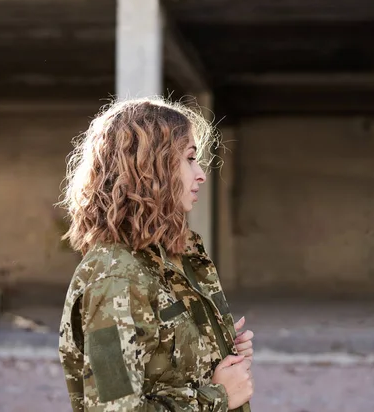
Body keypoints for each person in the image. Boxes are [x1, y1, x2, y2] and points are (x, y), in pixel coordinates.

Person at [58, 97, 255, 412]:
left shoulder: (170, 257)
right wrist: (218, 397)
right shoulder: (116, 278)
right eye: (190, 158)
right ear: (151, 167)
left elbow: (165, 368)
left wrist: (219, 348)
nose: (201, 174)